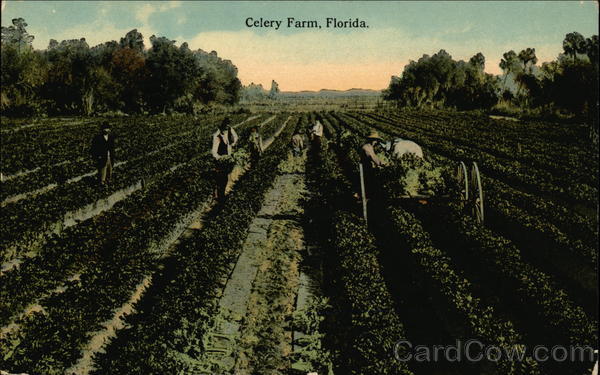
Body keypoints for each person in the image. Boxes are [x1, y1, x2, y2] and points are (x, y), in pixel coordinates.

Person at [211, 117, 236, 201]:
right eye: (224, 130)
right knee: (221, 178)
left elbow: (235, 139)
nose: (225, 131)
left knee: (225, 178)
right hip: (220, 161)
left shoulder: (227, 135)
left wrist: (229, 154)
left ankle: (221, 194)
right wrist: (220, 158)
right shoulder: (217, 137)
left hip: (226, 160)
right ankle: (219, 195)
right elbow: (214, 151)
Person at [358, 130, 385, 201]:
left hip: (368, 168)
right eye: (375, 140)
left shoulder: (370, 147)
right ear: (371, 140)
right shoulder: (366, 147)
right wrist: (381, 163)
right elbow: (372, 157)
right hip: (365, 169)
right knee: (368, 185)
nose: (376, 142)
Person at [90, 121, 116, 186]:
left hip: (109, 157)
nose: (106, 130)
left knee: (109, 171)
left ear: (109, 129)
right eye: (105, 128)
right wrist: (96, 157)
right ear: (102, 129)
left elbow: (112, 148)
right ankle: (102, 183)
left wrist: (113, 156)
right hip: (102, 157)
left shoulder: (111, 138)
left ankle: (108, 182)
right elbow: (93, 149)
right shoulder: (98, 138)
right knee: (102, 171)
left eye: (107, 128)